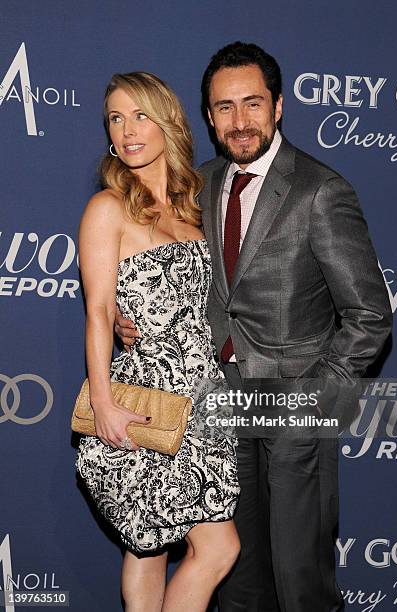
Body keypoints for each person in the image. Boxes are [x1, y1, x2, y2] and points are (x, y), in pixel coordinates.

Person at [116, 43, 393, 612]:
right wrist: (134, 319)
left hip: (295, 403)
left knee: (300, 577)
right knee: (239, 579)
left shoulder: (320, 190)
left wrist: (316, 396)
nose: (240, 122)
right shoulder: (199, 184)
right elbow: (178, 276)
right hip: (216, 408)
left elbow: (369, 315)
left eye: (252, 104)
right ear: (209, 117)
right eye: (224, 108)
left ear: (279, 107)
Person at [75, 71, 240, 612]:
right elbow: (99, 314)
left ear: (167, 121)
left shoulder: (195, 206)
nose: (127, 131)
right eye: (115, 120)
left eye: (139, 115)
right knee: (161, 542)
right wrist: (103, 404)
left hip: (205, 396)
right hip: (147, 393)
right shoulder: (106, 208)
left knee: (188, 546)